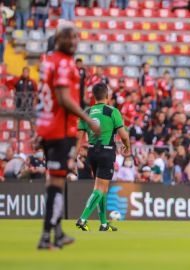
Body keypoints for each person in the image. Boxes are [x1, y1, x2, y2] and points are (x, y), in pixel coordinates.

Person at [36, 21, 100, 249]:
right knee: (56, 182)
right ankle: (47, 235)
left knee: (55, 182)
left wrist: (39, 129)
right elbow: (63, 99)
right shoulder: (63, 64)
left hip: (49, 128)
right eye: (68, 38)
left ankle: (55, 234)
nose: (73, 42)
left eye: (75, 37)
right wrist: (88, 118)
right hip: (60, 130)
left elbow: (44, 97)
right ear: (58, 39)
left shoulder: (48, 62)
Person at [75, 83, 131, 232]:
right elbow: (123, 135)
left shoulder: (86, 112)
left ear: (93, 96)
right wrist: (128, 146)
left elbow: (78, 137)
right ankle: (82, 218)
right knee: (101, 188)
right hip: (106, 152)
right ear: (108, 96)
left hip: (91, 153)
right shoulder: (112, 111)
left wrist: (74, 155)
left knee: (101, 189)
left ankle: (104, 224)